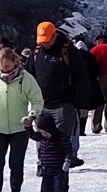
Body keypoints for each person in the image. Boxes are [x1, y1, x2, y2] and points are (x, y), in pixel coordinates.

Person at [0, 44, 43, 192]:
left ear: (15, 62)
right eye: (2, 66)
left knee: (15, 164)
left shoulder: (26, 78)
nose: (5, 69)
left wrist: (32, 115)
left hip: (19, 129)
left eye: (8, 66)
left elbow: (37, 100)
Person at [32, 22, 87, 167]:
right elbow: (28, 75)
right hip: (41, 104)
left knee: (61, 139)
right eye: (42, 41)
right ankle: (43, 164)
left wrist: (83, 104)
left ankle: (59, 170)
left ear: (54, 35)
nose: (45, 44)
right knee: (42, 139)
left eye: (48, 40)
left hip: (63, 105)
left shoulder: (69, 52)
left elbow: (82, 78)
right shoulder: (37, 52)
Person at [32, 109, 71, 192]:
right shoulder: (42, 137)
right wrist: (27, 126)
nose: (44, 134)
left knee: (58, 189)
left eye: (45, 132)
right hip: (46, 168)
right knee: (45, 189)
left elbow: (68, 150)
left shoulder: (61, 137)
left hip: (58, 169)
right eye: (41, 132)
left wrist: (67, 161)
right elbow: (31, 135)